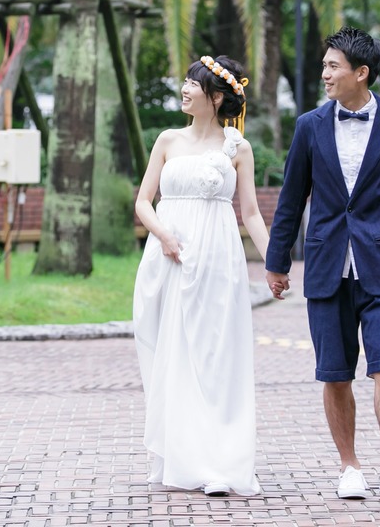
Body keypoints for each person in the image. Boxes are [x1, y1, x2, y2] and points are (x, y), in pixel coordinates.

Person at [264, 26, 380, 500]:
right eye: (324, 65)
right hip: (327, 265)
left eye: (333, 66)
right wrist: (277, 262)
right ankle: (349, 467)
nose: (324, 74)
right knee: (335, 371)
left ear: (361, 73)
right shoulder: (309, 126)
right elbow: (291, 199)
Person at [132, 54, 270, 498]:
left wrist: (274, 263)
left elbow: (250, 213)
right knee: (174, 352)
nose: (185, 88)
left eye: (194, 83)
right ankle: (183, 456)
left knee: (215, 355)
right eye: (187, 82)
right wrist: (164, 236)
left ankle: (220, 463)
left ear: (216, 97)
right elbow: (143, 201)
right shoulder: (168, 140)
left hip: (218, 259)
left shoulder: (237, 148)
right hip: (169, 258)